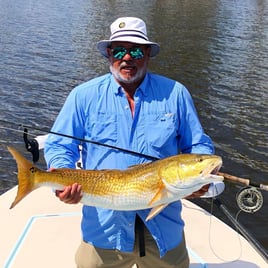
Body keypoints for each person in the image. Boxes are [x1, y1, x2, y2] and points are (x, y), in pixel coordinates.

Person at [44, 17, 224, 268]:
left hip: (164, 232)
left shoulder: (176, 93)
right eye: (119, 50)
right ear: (109, 53)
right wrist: (63, 180)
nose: (127, 58)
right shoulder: (83, 96)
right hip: (104, 231)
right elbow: (59, 146)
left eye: (136, 50)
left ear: (148, 53)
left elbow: (198, 147)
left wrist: (201, 180)